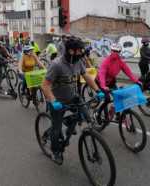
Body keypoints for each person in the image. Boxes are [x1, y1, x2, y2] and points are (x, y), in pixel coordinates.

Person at [41, 36, 104, 165]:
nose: (82, 53)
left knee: (88, 119)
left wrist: (98, 90)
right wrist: (53, 101)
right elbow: (45, 85)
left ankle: (69, 123)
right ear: (71, 51)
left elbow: (86, 76)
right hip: (57, 101)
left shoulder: (78, 61)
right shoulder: (57, 65)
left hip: (73, 97)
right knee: (56, 129)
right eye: (79, 50)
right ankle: (56, 151)